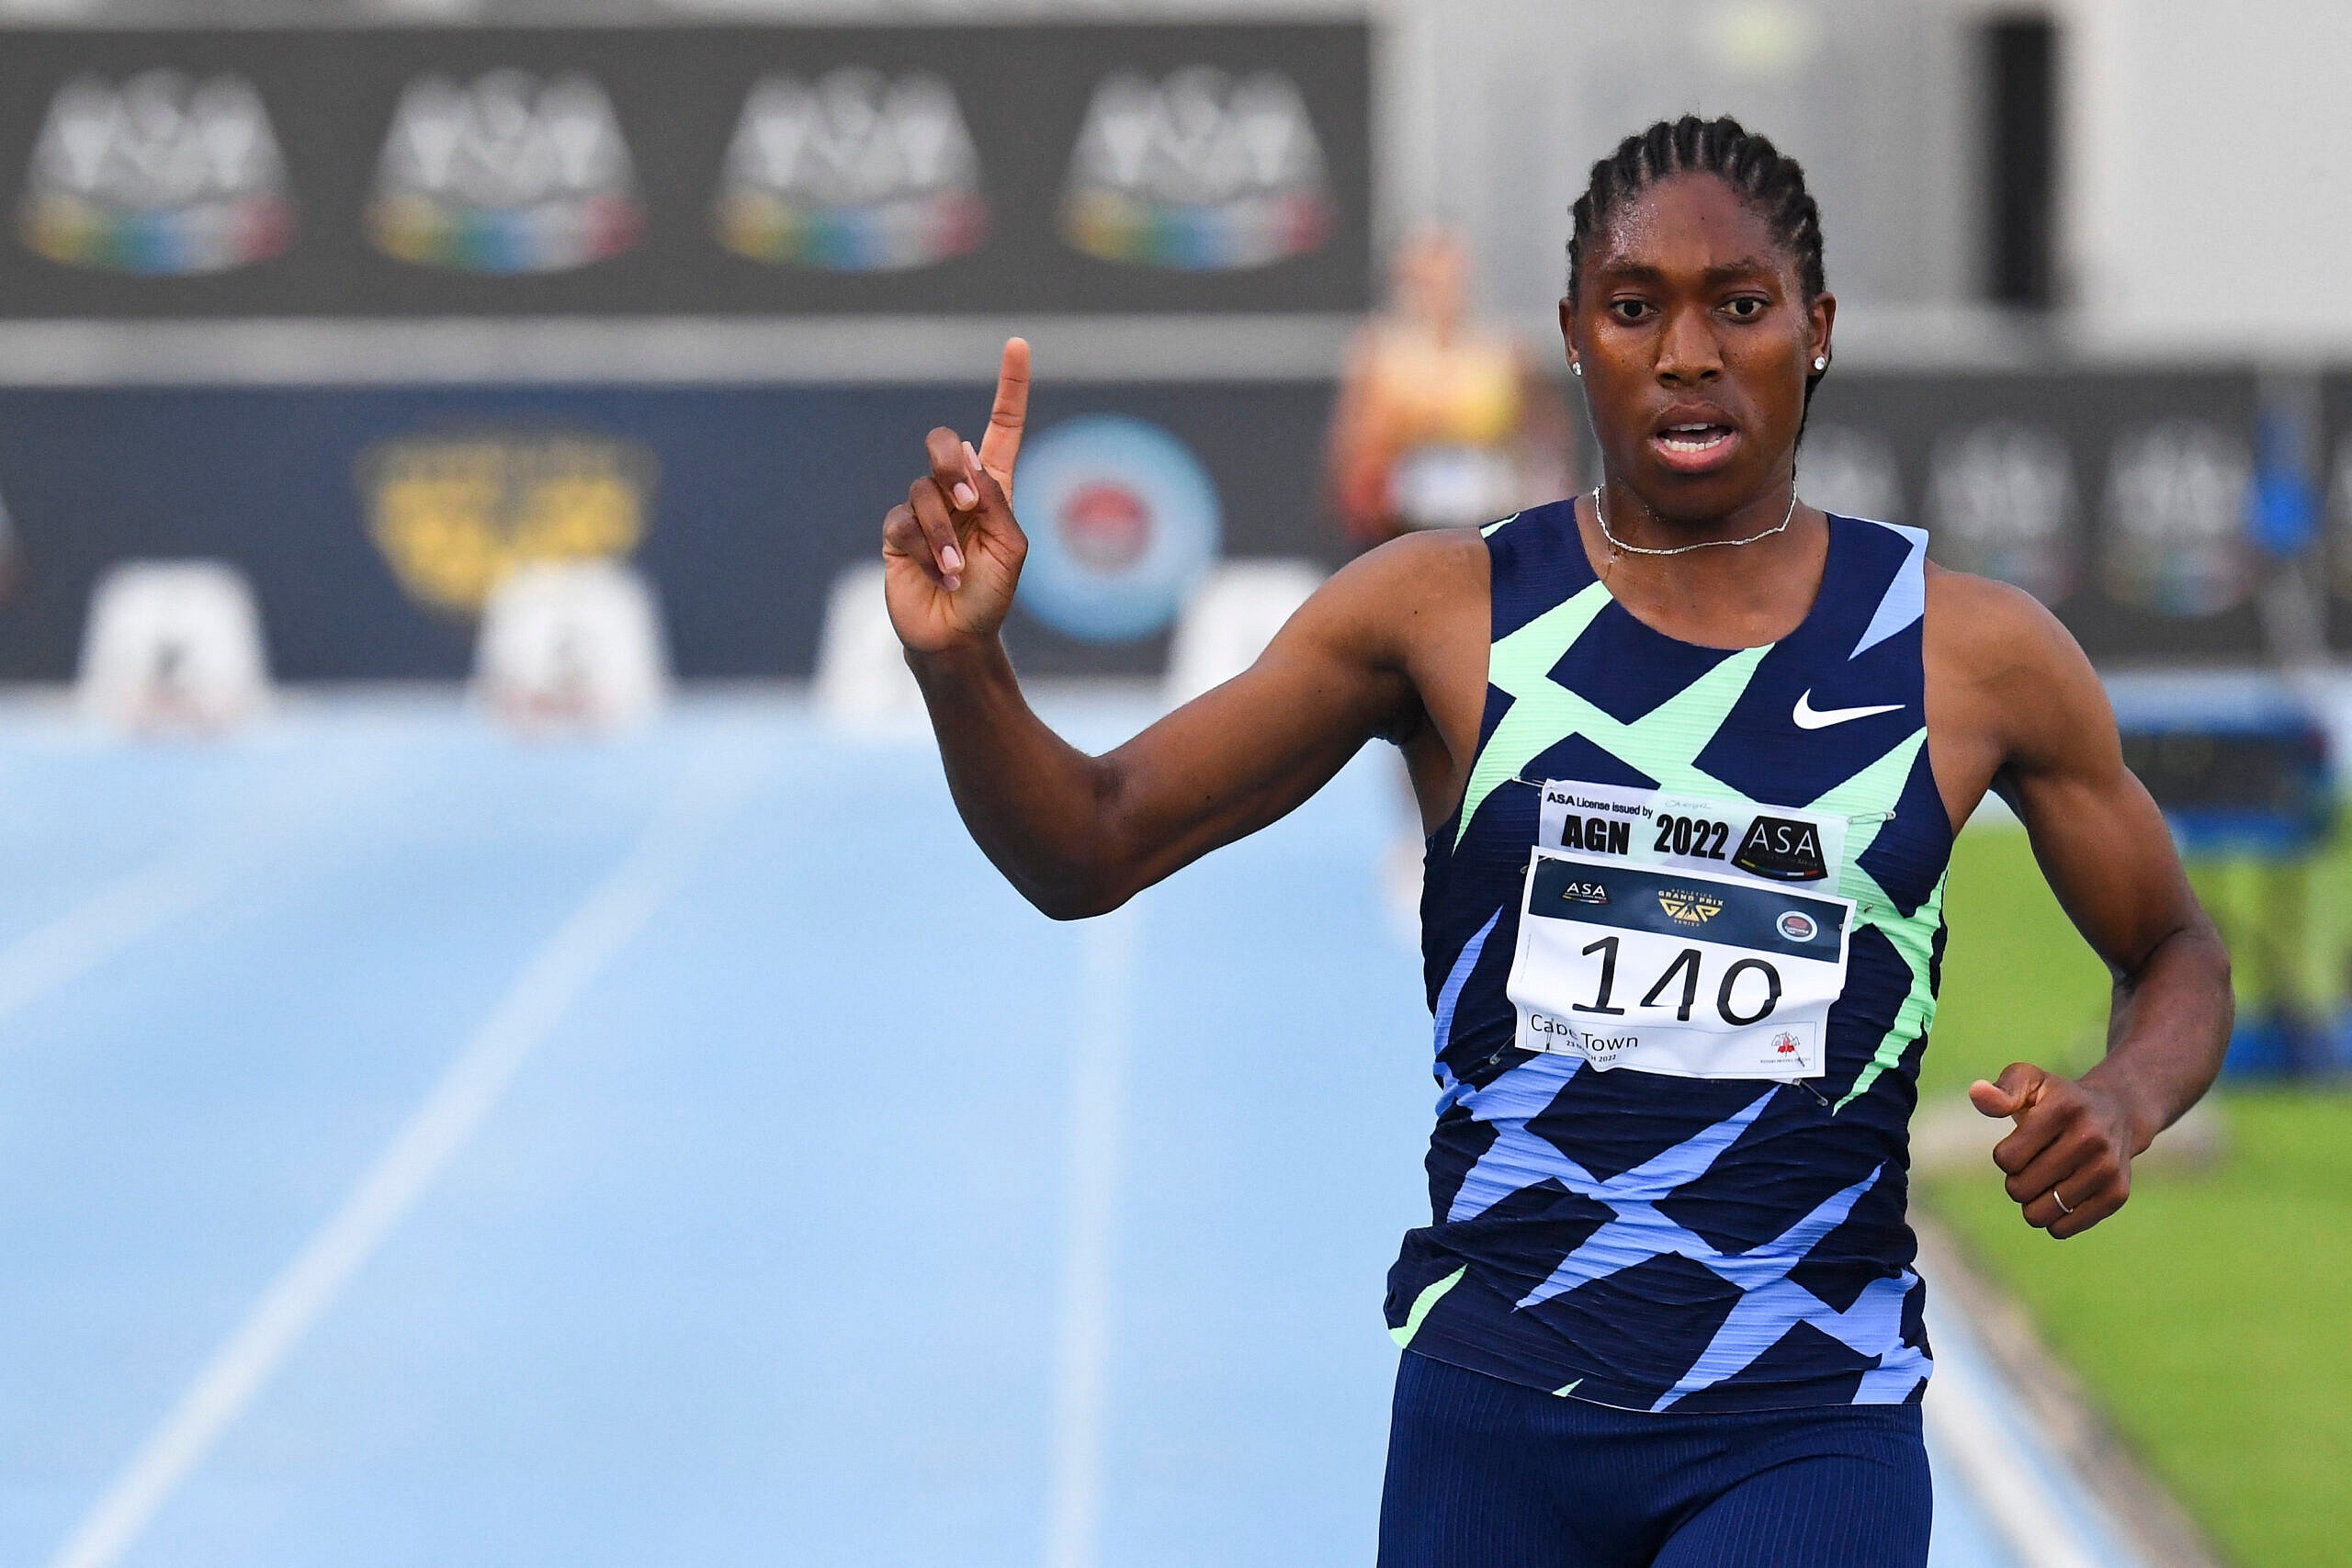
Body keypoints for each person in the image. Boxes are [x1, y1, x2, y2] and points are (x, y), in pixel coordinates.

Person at [878, 116, 2233, 1568]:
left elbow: (2173, 946)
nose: (1689, 350)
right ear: (1575, 337)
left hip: (1807, 1413)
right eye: (1636, 306)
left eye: (1742, 304)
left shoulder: (1969, 656)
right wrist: (965, 667)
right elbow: (1090, 843)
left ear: (1818, 329)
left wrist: (2127, 1095)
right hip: (1497, 1415)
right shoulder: (1437, 613)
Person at [1326, 227, 1572, 547]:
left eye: (1447, 281)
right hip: (1401, 525)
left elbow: (1545, 443)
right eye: (1426, 283)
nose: (1439, 294)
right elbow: (1352, 452)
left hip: (1491, 517)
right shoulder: (1380, 355)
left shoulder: (1503, 352)